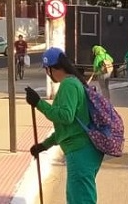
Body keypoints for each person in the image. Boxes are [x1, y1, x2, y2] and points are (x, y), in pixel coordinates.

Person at [25, 47, 104, 204]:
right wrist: (44, 145)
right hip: (82, 151)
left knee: (81, 200)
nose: (47, 74)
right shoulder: (73, 82)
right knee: (77, 198)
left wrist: (39, 103)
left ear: (51, 68)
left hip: (80, 152)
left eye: (46, 70)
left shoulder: (69, 84)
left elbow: (66, 117)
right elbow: (69, 128)